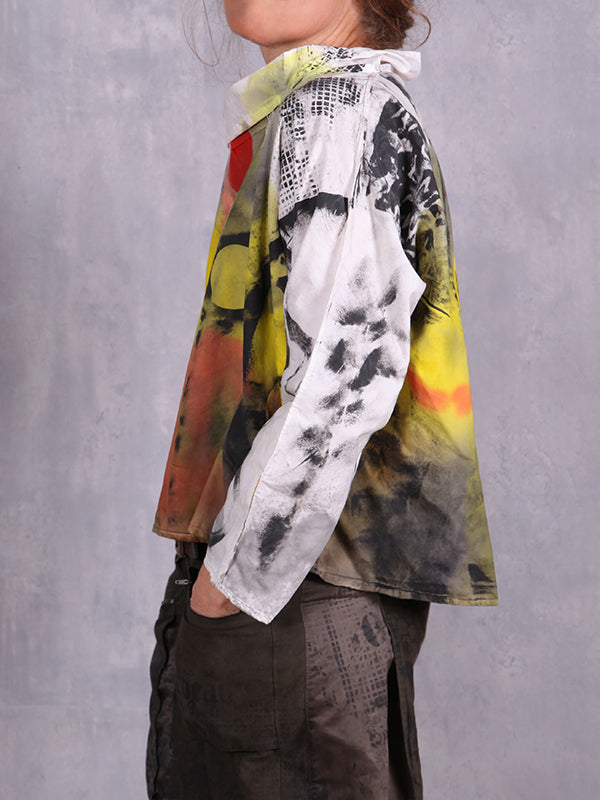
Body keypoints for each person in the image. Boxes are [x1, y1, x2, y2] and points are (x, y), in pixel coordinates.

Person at [146, 1, 498, 798]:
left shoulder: (338, 111)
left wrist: (233, 581)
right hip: (311, 585)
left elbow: (345, 377)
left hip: (294, 594)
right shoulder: (334, 107)